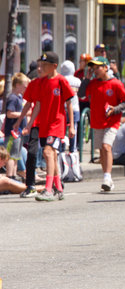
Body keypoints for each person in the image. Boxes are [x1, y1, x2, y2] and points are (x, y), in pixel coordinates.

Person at [22, 51, 75, 201]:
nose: (42, 67)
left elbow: (69, 103)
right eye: (41, 64)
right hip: (44, 125)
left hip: (57, 123)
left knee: (47, 152)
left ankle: (48, 189)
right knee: (51, 156)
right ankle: (58, 187)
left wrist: (71, 126)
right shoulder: (42, 82)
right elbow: (37, 105)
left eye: (45, 65)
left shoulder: (61, 80)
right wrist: (30, 124)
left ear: (54, 66)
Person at [79, 56, 125, 191]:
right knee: (101, 150)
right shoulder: (93, 83)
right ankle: (108, 178)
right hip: (97, 121)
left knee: (106, 147)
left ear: (106, 68)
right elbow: (81, 94)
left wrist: (114, 109)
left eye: (98, 67)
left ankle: (107, 176)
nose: (95, 70)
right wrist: (87, 79)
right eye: (93, 68)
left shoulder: (116, 83)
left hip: (112, 121)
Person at [13, 61, 45, 198]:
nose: (39, 69)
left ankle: (55, 183)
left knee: (50, 154)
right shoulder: (34, 84)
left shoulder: (56, 82)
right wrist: (20, 121)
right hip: (36, 123)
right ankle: (30, 185)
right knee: (31, 153)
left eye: (42, 67)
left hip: (51, 123)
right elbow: (29, 104)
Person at [4, 72, 30, 180]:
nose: (25, 88)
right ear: (17, 85)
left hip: (17, 132)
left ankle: (13, 176)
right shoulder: (13, 98)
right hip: (12, 132)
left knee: (15, 155)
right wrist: (23, 114)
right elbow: (9, 114)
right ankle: (10, 177)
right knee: (11, 155)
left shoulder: (19, 97)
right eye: (24, 86)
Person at [60, 60, 81, 153]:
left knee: (62, 130)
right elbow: (81, 95)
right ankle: (73, 149)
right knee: (74, 129)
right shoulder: (77, 81)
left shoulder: (60, 80)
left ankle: (62, 148)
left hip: (62, 107)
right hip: (75, 107)